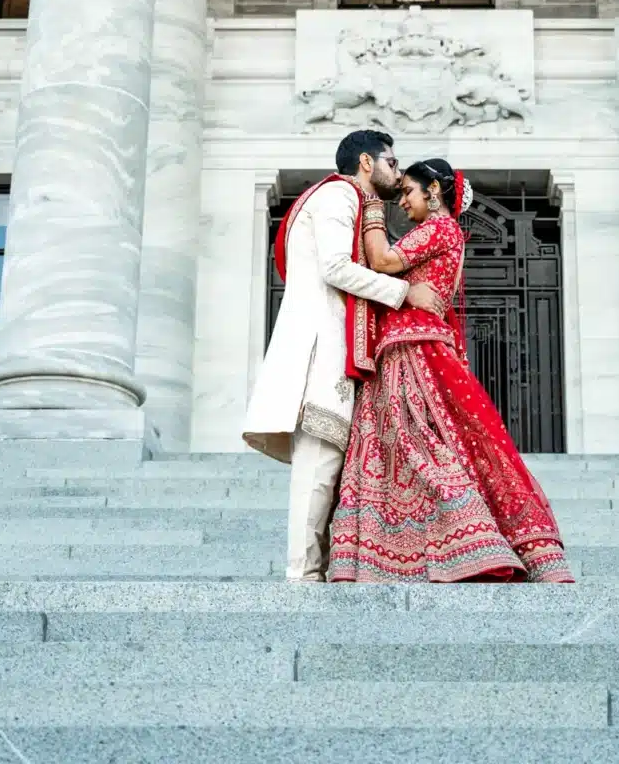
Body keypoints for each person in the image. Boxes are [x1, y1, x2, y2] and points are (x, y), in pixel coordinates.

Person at [328, 158, 574, 583]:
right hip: (418, 342)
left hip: (412, 346)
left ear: (434, 191)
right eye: (398, 193)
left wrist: (370, 209)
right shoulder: (448, 235)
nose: (402, 201)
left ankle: (453, 541)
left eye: (407, 191)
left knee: (416, 439)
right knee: (424, 440)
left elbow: (384, 262)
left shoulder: (438, 229)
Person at [241, 130, 448, 583]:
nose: (398, 172)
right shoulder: (339, 194)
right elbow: (335, 267)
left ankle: (318, 570)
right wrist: (404, 291)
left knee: (331, 468)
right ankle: (302, 576)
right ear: (367, 164)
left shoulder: (349, 199)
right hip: (323, 350)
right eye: (392, 163)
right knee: (318, 466)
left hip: (337, 348)